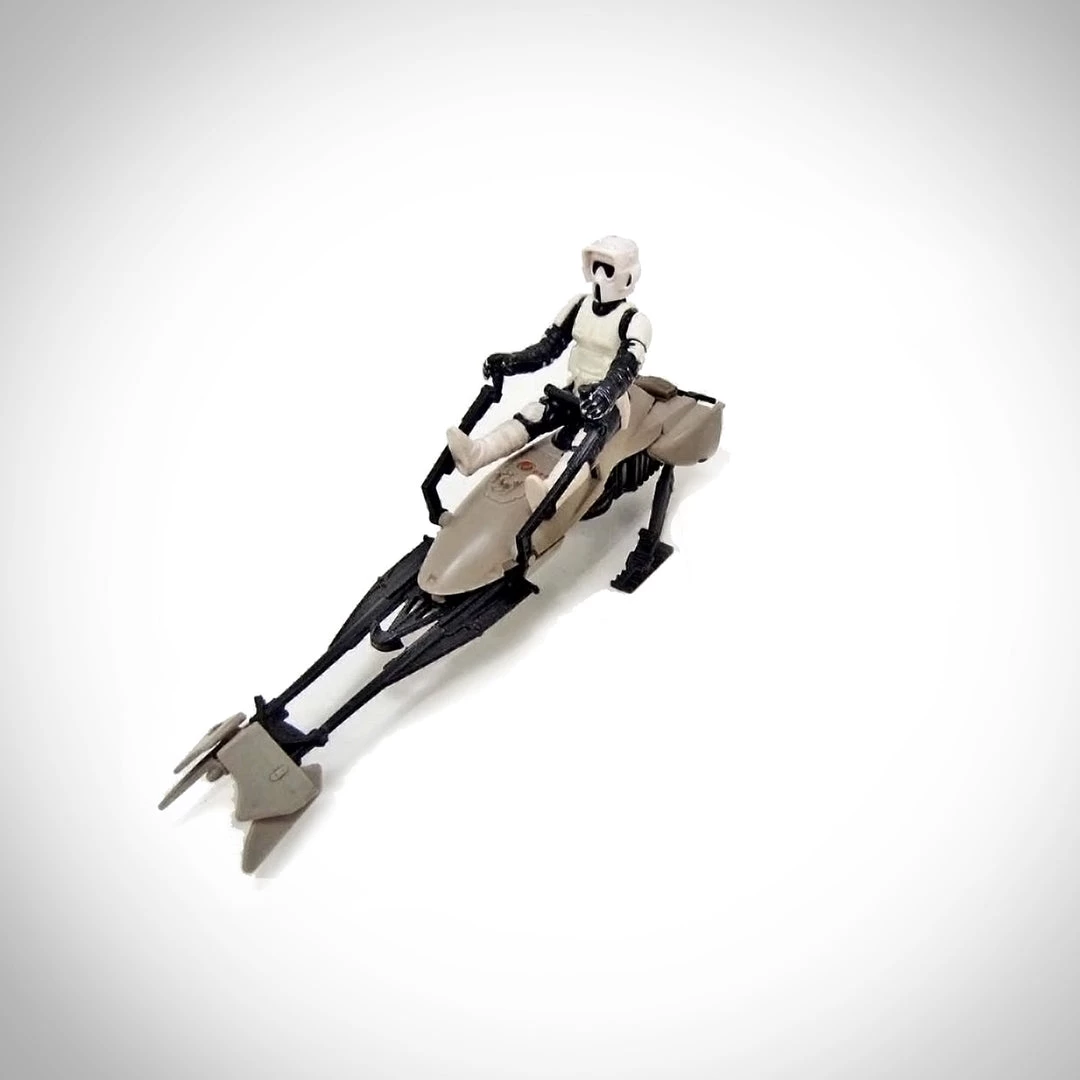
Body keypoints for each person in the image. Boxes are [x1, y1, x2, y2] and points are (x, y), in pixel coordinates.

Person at [446, 235, 652, 511]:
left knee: (587, 440)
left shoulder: (635, 321)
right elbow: (546, 350)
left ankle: (549, 493)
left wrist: (605, 393)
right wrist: (509, 362)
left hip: (609, 403)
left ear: (627, 277)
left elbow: (626, 365)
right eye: (597, 267)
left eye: (608, 269)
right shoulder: (578, 306)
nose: (600, 276)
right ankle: (476, 454)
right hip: (574, 390)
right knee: (533, 413)